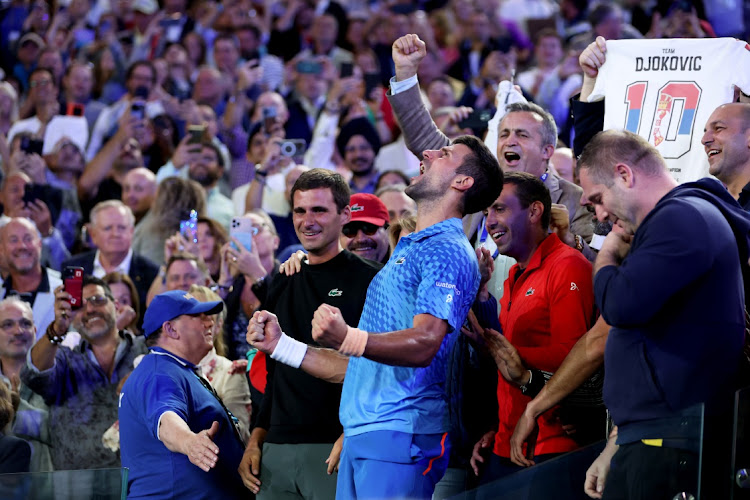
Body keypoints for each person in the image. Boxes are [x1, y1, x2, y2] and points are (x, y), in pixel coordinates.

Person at [245, 132, 502, 499]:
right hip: (366, 433)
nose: (427, 152)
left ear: (462, 182)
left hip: (402, 434)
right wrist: (281, 345)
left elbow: (426, 342)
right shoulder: (409, 250)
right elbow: (357, 366)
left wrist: (347, 337)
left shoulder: (447, 249)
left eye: (443, 153)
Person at [577, 130, 749, 499]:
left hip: (671, 444)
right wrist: (620, 440)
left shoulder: (680, 218)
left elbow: (621, 306)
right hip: (659, 437)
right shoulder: (677, 219)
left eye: (598, 200)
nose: (602, 215)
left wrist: (607, 256)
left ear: (625, 174)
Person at [386, 34, 594, 259]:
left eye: (522, 135)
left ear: (547, 151)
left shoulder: (575, 199)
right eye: (504, 133)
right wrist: (406, 73)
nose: (509, 140)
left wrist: (570, 240)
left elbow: (597, 266)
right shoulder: (475, 180)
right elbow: (424, 138)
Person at [240, 169, 381, 499]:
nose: (308, 221)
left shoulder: (372, 280)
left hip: (336, 446)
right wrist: (257, 438)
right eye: (300, 211)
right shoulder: (284, 278)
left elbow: (380, 371)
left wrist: (353, 432)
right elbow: (274, 376)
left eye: (319, 210)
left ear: (344, 214)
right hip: (275, 451)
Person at [468, 172, 595, 483]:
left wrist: (507, 353)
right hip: (505, 445)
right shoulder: (513, 276)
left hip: (550, 445)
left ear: (535, 211)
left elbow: (574, 355)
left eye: (499, 209)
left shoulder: (568, 265)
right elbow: (507, 365)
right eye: (486, 213)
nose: (490, 221)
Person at [118, 290, 247, 498]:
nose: (209, 323)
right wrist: (189, 442)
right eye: (198, 316)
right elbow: (166, 420)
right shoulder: (159, 373)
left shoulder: (174, 369)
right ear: (170, 329)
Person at [21, 276, 148, 470]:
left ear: (115, 305)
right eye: (79, 306)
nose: (90, 309)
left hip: (141, 483)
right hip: (78, 487)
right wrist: (57, 329)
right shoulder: (65, 358)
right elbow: (34, 373)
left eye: (98, 300)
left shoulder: (146, 351)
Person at [61, 200, 159, 324]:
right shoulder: (74, 269)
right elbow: (70, 316)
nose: (115, 234)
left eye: (122, 227)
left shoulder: (151, 273)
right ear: (93, 234)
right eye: (108, 228)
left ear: (131, 232)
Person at [0, 217, 63, 337]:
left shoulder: (64, 291)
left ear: (39, 244)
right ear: (1, 249)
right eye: (13, 240)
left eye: (28, 239)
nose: (22, 246)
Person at [341, 193, 391, 264]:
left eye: (370, 229)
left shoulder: (406, 269)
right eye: (350, 231)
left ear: (388, 232)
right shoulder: (324, 272)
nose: (361, 239)